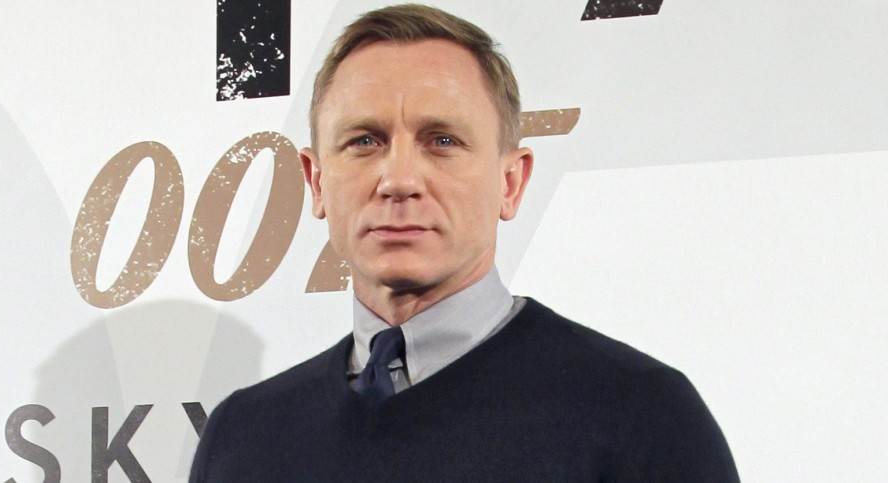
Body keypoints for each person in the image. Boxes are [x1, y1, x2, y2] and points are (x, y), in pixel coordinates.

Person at [190, 4, 739, 482]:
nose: (398, 179)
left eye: (442, 141)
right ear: (316, 182)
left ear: (511, 182)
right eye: (364, 141)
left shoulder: (641, 414)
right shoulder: (242, 435)